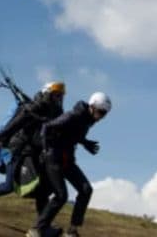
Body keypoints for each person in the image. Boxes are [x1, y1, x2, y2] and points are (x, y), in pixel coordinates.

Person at [0, 82, 66, 221]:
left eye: (61, 96)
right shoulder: (35, 107)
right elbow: (17, 123)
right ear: (48, 94)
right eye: (57, 95)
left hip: (33, 153)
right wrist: (1, 137)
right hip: (17, 150)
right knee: (9, 185)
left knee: (43, 188)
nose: (59, 98)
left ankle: (42, 225)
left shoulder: (55, 112)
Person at [29, 92, 112, 237]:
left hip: (67, 159)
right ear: (92, 106)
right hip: (53, 158)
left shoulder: (88, 120)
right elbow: (47, 127)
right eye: (101, 112)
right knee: (61, 195)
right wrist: (45, 150)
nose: (102, 116)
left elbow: (71, 133)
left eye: (104, 114)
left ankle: (72, 231)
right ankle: (36, 230)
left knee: (86, 190)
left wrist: (85, 143)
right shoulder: (72, 115)